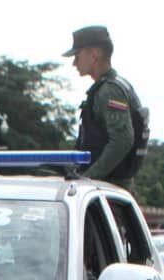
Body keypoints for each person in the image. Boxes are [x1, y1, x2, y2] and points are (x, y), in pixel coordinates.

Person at [66, 25, 142, 185]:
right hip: (107, 188)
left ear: (94, 55)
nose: (74, 63)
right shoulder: (115, 86)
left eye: (77, 55)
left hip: (107, 189)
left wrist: (89, 178)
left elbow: (123, 140)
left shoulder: (110, 91)